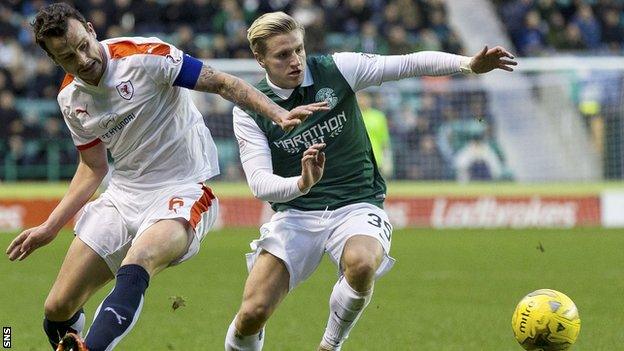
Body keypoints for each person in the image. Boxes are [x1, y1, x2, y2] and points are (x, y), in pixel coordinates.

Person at [4, 3, 327, 351]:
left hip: (182, 189)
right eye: (67, 57)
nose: (82, 60)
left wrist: (277, 114)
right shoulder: (71, 99)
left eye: (83, 45)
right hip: (123, 195)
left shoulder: (146, 56)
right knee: (57, 307)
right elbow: (93, 167)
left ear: (90, 29)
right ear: (55, 61)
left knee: (138, 261)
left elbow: (222, 83)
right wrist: (50, 227)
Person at [225, 11, 516, 351]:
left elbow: (408, 64)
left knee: (362, 263)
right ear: (259, 58)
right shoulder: (249, 109)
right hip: (296, 213)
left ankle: (330, 345)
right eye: (282, 55)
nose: (296, 61)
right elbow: (260, 183)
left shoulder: (336, 70)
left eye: (299, 50)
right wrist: (302, 183)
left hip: (357, 202)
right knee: (252, 313)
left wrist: (467, 64)